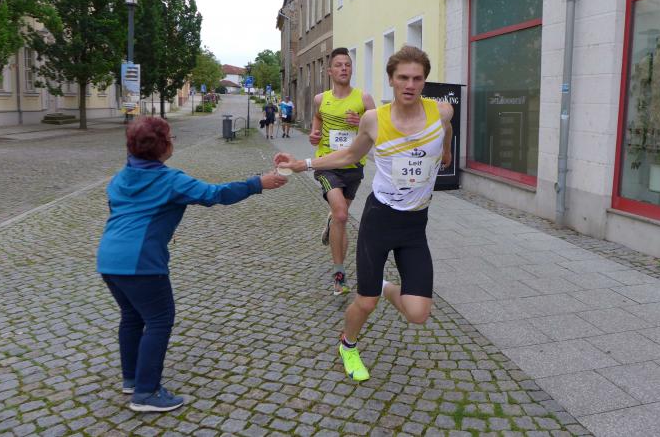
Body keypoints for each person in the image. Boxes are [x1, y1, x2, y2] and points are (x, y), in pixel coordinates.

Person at [275, 46, 452, 382]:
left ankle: (385, 286)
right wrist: (303, 163)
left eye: (417, 78)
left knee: (418, 314)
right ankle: (348, 344)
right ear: (391, 80)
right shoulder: (375, 119)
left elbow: (448, 130)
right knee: (365, 303)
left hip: (415, 225)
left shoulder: (441, 112)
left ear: (424, 81)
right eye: (403, 77)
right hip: (380, 220)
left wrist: (445, 151)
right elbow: (347, 155)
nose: (410, 85)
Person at [97, 117, 287, 412]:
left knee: (132, 317)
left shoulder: (120, 177)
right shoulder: (170, 180)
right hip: (142, 262)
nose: (173, 141)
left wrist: (159, 228)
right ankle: (146, 393)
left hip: (109, 259)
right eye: (170, 137)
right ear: (162, 146)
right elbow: (214, 194)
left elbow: (120, 209)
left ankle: (132, 379)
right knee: (159, 320)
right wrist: (257, 183)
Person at [308, 48, 376, 295]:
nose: (344, 68)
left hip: (354, 166)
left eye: (347, 64)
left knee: (340, 217)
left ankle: (332, 222)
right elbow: (318, 119)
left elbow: (378, 130)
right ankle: (339, 276)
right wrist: (314, 134)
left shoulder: (364, 99)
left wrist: (361, 123)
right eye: (338, 65)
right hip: (327, 164)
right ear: (329, 71)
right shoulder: (320, 99)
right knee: (341, 214)